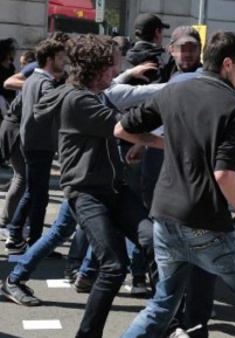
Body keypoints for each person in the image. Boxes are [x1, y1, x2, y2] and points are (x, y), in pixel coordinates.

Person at [115, 30, 235, 338]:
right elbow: (224, 174)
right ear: (228, 64)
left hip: (164, 216)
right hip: (205, 220)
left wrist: (160, 143)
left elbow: (121, 129)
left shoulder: (174, 91)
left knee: (162, 305)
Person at [33, 34, 155, 338]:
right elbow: (122, 126)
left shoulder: (94, 91)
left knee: (156, 242)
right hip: (87, 193)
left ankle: (169, 316)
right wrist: (169, 129)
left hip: (115, 188)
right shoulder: (78, 99)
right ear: (98, 69)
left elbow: (123, 124)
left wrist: (142, 143)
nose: (116, 71)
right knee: (114, 266)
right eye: (113, 66)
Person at [4, 39, 67, 253]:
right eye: (60, 57)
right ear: (49, 60)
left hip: (32, 142)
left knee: (34, 192)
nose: (64, 61)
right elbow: (57, 106)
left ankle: (17, 234)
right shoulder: (47, 83)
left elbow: (17, 106)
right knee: (38, 195)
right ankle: (33, 242)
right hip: (40, 144)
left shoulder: (32, 79)